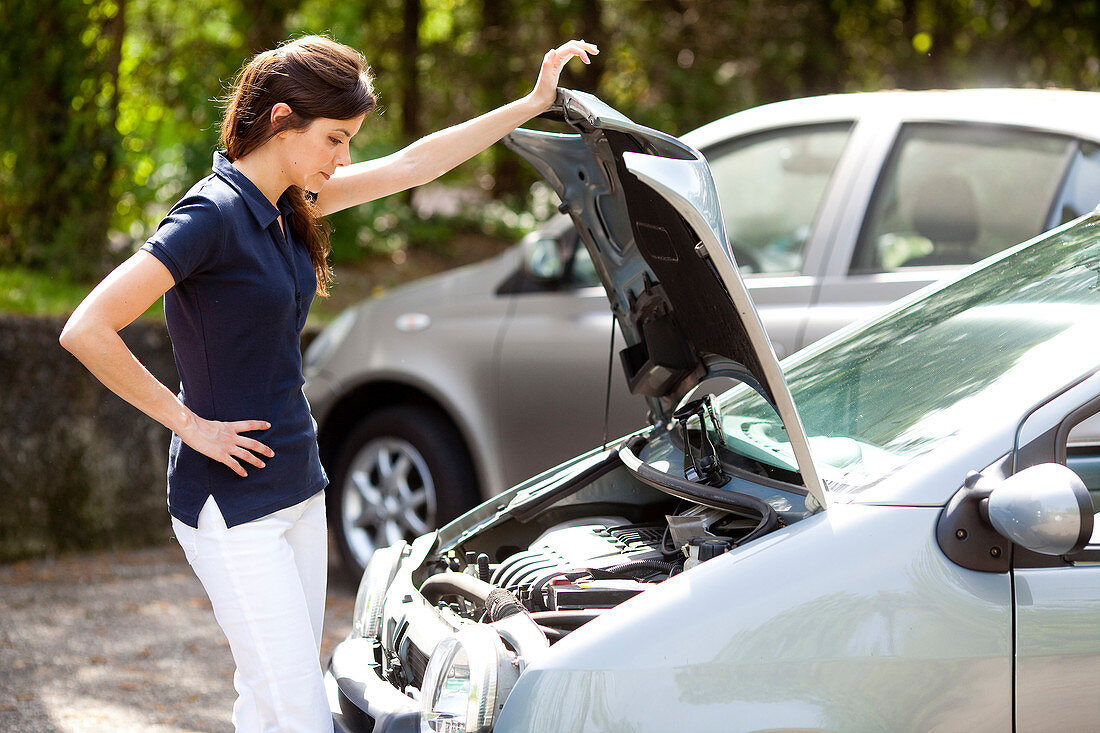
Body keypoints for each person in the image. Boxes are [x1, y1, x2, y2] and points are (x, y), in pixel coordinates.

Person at [60, 34, 597, 732]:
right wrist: (189, 424)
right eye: (335, 139)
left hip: (299, 488)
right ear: (282, 120)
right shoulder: (211, 216)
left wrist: (530, 104)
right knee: (303, 713)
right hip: (231, 507)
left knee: (267, 698)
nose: (344, 159)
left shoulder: (288, 201)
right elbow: (87, 327)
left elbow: (413, 165)